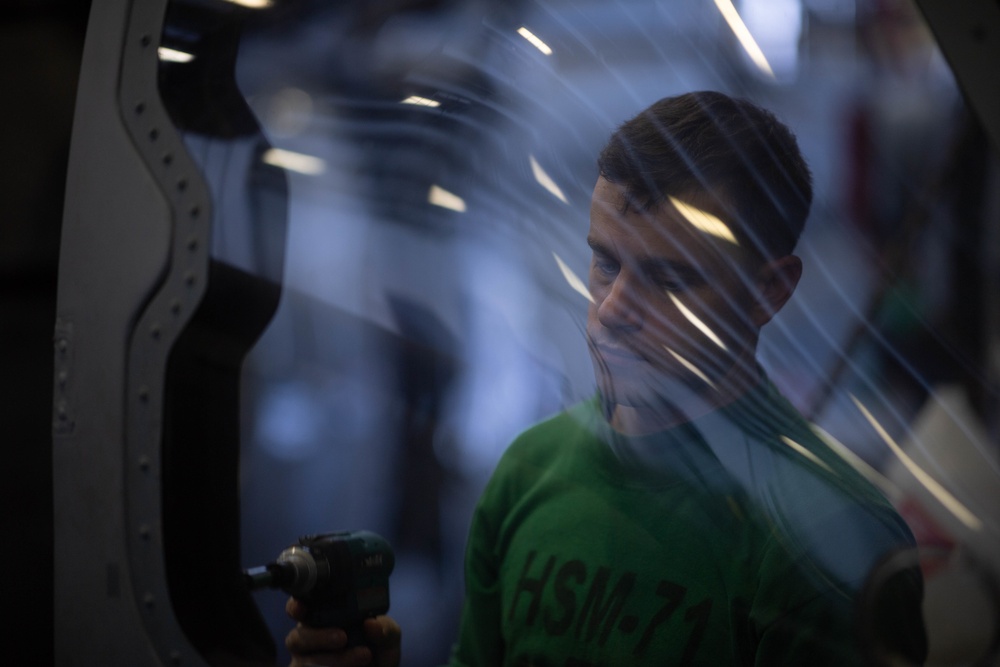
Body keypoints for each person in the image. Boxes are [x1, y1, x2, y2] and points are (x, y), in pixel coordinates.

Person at [284, 91, 926, 666]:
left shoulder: (834, 542)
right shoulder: (527, 474)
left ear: (769, 292)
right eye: (604, 263)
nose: (613, 311)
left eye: (671, 279)